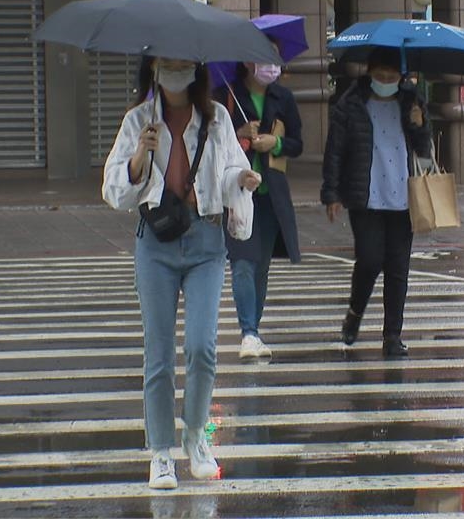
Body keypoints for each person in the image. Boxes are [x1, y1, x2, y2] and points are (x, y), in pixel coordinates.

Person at [102, 56, 261, 490]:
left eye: (182, 61)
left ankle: (195, 438)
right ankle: (160, 453)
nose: (174, 68)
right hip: (155, 243)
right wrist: (139, 156)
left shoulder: (218, 117)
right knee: (158, 354)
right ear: (153, 69)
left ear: (195, 68)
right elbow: (114, 190)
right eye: (165, 61)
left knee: (202, 347)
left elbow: (228, 172)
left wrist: (241, 179)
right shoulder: (138, 120)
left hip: (206, 240)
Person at [321, 47, 431, 359]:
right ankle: (355, 312)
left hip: (403, 197)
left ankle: (392, 336)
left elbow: (424, 148)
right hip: (364, 196)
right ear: (369, 72)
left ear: (401, 75)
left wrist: (419, 123)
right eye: (380, 75)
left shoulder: (411, 100)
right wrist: (331, 193)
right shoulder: (351, 104)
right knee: (369, 260)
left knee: (398, 268)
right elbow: (335, 151)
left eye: (392, 76)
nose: (386, 80)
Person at [213, 50, 303, 361]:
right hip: (237, 192)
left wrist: (274, 143)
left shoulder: (283, 97)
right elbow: (209, 142)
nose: (271, 65)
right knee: (242, 263)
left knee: (260, 268)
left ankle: (253, 330)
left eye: (275, 58)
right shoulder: (224, 95)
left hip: (270, 194)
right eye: (264, 57)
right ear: (247, 62)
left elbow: (297, 143)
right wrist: (240, 136)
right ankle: (248, 332)